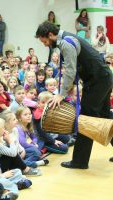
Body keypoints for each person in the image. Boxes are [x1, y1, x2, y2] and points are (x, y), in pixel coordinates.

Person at [35, 21, 113, 169]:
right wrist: (70, 86)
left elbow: (70, 70)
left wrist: (61, 94)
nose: (45, 44)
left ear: (51, 35)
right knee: (105, 115)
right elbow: (77, 66)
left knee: (85, 120)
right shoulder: (68, 39)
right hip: (103, 78)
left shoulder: (66, 44)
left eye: (45, 41)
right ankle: (80, 160)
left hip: (97, 81)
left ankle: (80, 161)